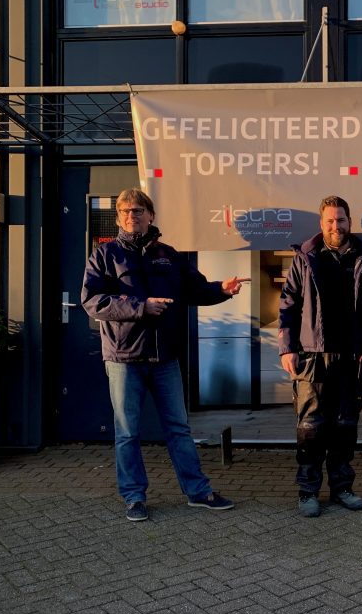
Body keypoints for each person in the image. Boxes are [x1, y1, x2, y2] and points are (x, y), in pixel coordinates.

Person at [82, 188, 248, 522]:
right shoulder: (105, 255)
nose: (132, 216)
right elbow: (93, 302)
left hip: (165, 357)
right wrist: (141, 307)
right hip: (124, 357)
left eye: (138, 210)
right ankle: (134, 497)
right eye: (126, 211)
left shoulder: (168, 255)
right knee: (127, 432)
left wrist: (221, 289)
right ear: (119, 217)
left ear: (151, 215)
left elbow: (194, 289)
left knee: (178, 428)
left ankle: (198, 492)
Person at [279, 196, 362, 517]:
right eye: (330, 220)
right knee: (311, 426)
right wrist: (287, 347)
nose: (335, 226)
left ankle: (342, 487)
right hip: (312, 354)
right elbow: (288, 304)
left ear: (349, 222)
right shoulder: (305, 258)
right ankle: (308, 491)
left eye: (340, 220)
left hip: (354, 355)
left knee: (345, 424)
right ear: (322, 223)